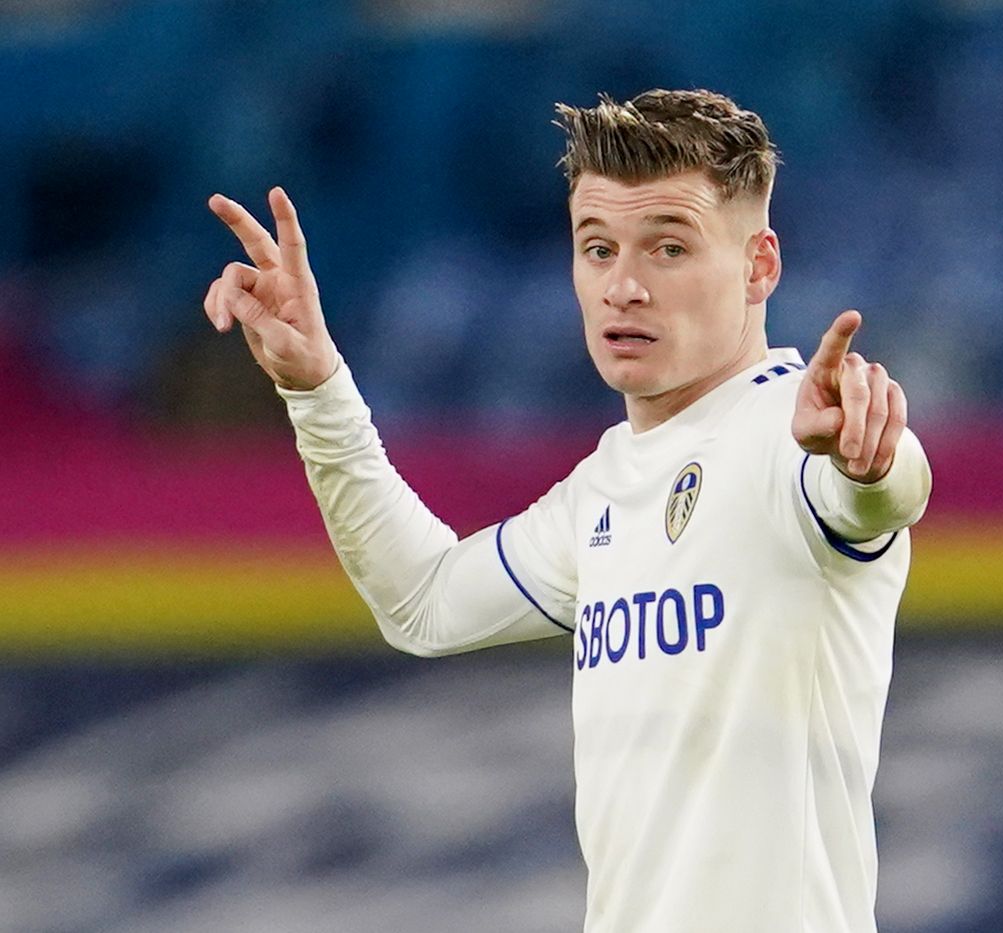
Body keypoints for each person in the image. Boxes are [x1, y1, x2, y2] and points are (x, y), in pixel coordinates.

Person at [203, 89, 932, 933]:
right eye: (597, 248)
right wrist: (318, 389)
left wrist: (869, 459)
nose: (624, 286)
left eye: (668, 247)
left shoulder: (788, 435)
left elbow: (879, 491)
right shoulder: (603, 489)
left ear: (758, 265)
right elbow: (422, 600)